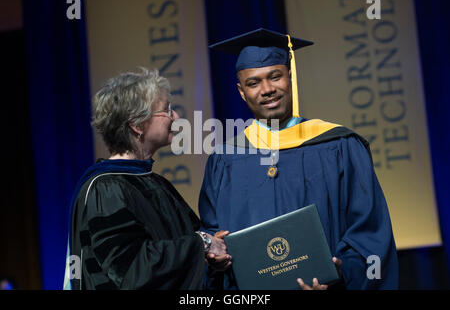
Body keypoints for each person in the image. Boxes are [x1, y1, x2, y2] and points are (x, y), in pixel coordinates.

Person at [199, 28, 398, 290]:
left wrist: (341, 271)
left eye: (275, 77)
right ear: (241, 91)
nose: (267, 89)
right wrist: (215, 256)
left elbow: (370, 229)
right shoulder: (225, 159)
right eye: (254, 82)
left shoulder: (339, 145)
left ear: (290, 77)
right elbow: (213, 233)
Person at [63, 68, 230, 290]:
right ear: (137, 125)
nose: (176, 117)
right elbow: (133, 270)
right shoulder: (106, 189)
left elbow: (193, 245)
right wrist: (203, 243)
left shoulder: (155, 182)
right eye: (166, 110)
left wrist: (211, 257)